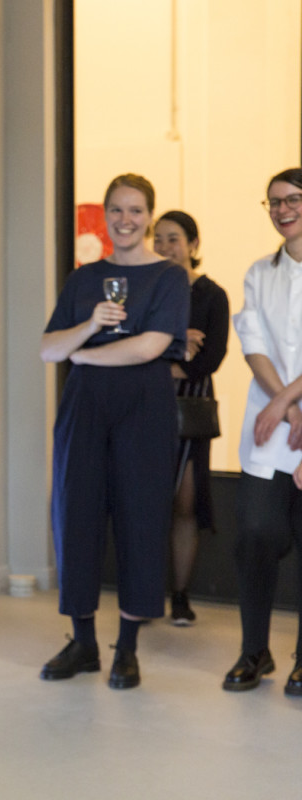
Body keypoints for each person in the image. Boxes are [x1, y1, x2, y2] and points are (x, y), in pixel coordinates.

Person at [39, 174, 189, 690]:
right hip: (84, 407)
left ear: (149, 217)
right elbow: (48, 348)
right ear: (105, 216)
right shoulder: (84, 278)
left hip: (143, 406)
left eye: (136, 210)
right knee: (75, 515)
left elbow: (150, 347)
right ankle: (82, 642)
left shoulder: (168, 276)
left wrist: (83, 355)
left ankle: (126, 648)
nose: (126, 220)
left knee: (140, 520)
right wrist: (88, 327)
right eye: (117, 210)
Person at [223, 167, 302, 696]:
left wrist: (285, 400)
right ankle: (255, 650)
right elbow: (253, 344)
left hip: (280, 410)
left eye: (292, 199)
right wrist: (287, 407)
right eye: (273, 202)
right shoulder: (259, 272)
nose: (282, 209)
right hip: (273, 427)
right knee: (254, 533)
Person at [152, 211, 229, 625]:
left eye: (174, 238)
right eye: (158, 238)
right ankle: (144, 594)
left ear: (193, 244)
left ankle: (180, 596)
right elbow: (133, 343)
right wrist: (180, 342)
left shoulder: (212, 295)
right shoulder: (147, 288)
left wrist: (163, 363)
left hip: (189, 409)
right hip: (146, 404)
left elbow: (211, 356)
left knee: (184, 504)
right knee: (145, 503)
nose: (165, 246)